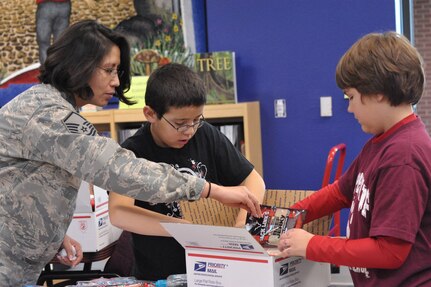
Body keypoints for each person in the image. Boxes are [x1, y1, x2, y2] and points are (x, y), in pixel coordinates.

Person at [0, 20, 261, 286]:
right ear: (79, 65)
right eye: (108, 70)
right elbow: (120, 169)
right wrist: (210, 190)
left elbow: (25, 185)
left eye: (118, 71)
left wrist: (52, 235)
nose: (116, 81)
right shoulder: (48, 115)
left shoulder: (55, 110)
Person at [277, 32, 431, 286]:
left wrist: (313, 245)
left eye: (351, 97)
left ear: (377, 92)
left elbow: (390, 251)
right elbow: (340, 192)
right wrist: (293, 214)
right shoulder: (381, 143)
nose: (349, 109)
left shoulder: (404, 156)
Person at [108, 63, 265, 280]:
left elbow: (254, 181)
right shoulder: (133, 152)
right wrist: (182, 229)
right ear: (150, 114)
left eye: (196, 120)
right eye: (180, 123)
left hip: (214, 270)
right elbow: (119, 212)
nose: (189, 131)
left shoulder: (206, 135)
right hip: (159, 274)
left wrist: (242, 222)